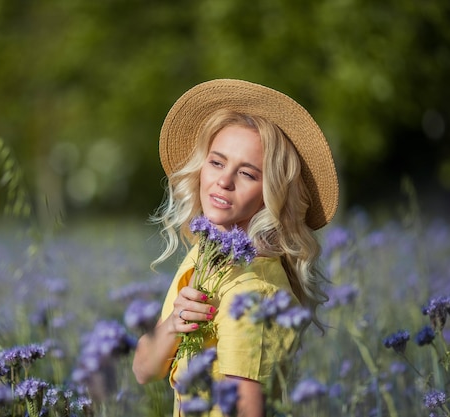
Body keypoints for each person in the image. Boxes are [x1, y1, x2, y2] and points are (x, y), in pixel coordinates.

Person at [132, 79, 339, 416]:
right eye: (216, 162)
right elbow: (143, 370)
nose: (224, 181)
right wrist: (172, 324)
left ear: (271, 193)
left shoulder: (253, 292)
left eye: (246, 173)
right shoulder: (203, 254)